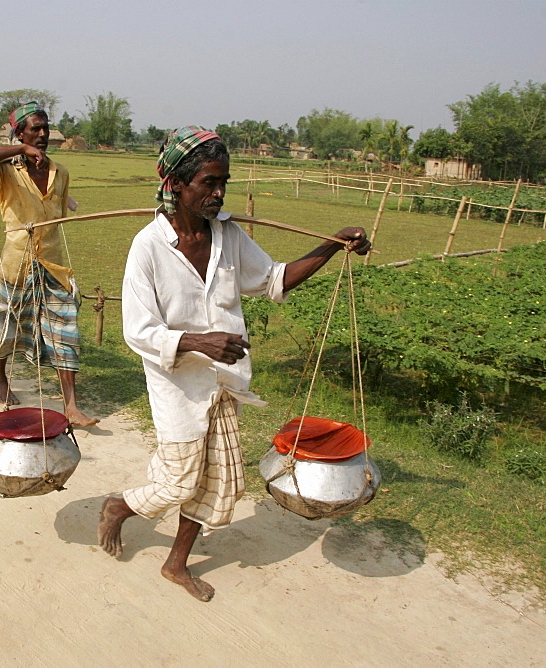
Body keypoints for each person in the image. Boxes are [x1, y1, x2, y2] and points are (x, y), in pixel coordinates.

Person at [97, 126, 371, 601]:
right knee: (179, 480)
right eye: (209, 182)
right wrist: (198, 342)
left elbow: (275, 280)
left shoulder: (228, 236)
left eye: (223, 181)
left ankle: (175, 563)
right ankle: (119, 506)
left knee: (218, 478)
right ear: (178, 184)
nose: (219, 192)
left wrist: (331, 243)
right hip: (178, 388)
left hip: (225, 383)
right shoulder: (148, 247)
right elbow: (137, 331)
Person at [0, 102, 98, 427]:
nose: (42, 134)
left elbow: (58, 216)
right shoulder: (8, 170)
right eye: (34, 129)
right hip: (17, 265)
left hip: (53, 267)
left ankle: (71, 406)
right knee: (9, 328)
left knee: (66, 332)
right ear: (20, 133)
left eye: (44, 128)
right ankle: (0, 377)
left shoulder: (60, 173)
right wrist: (20, 150)